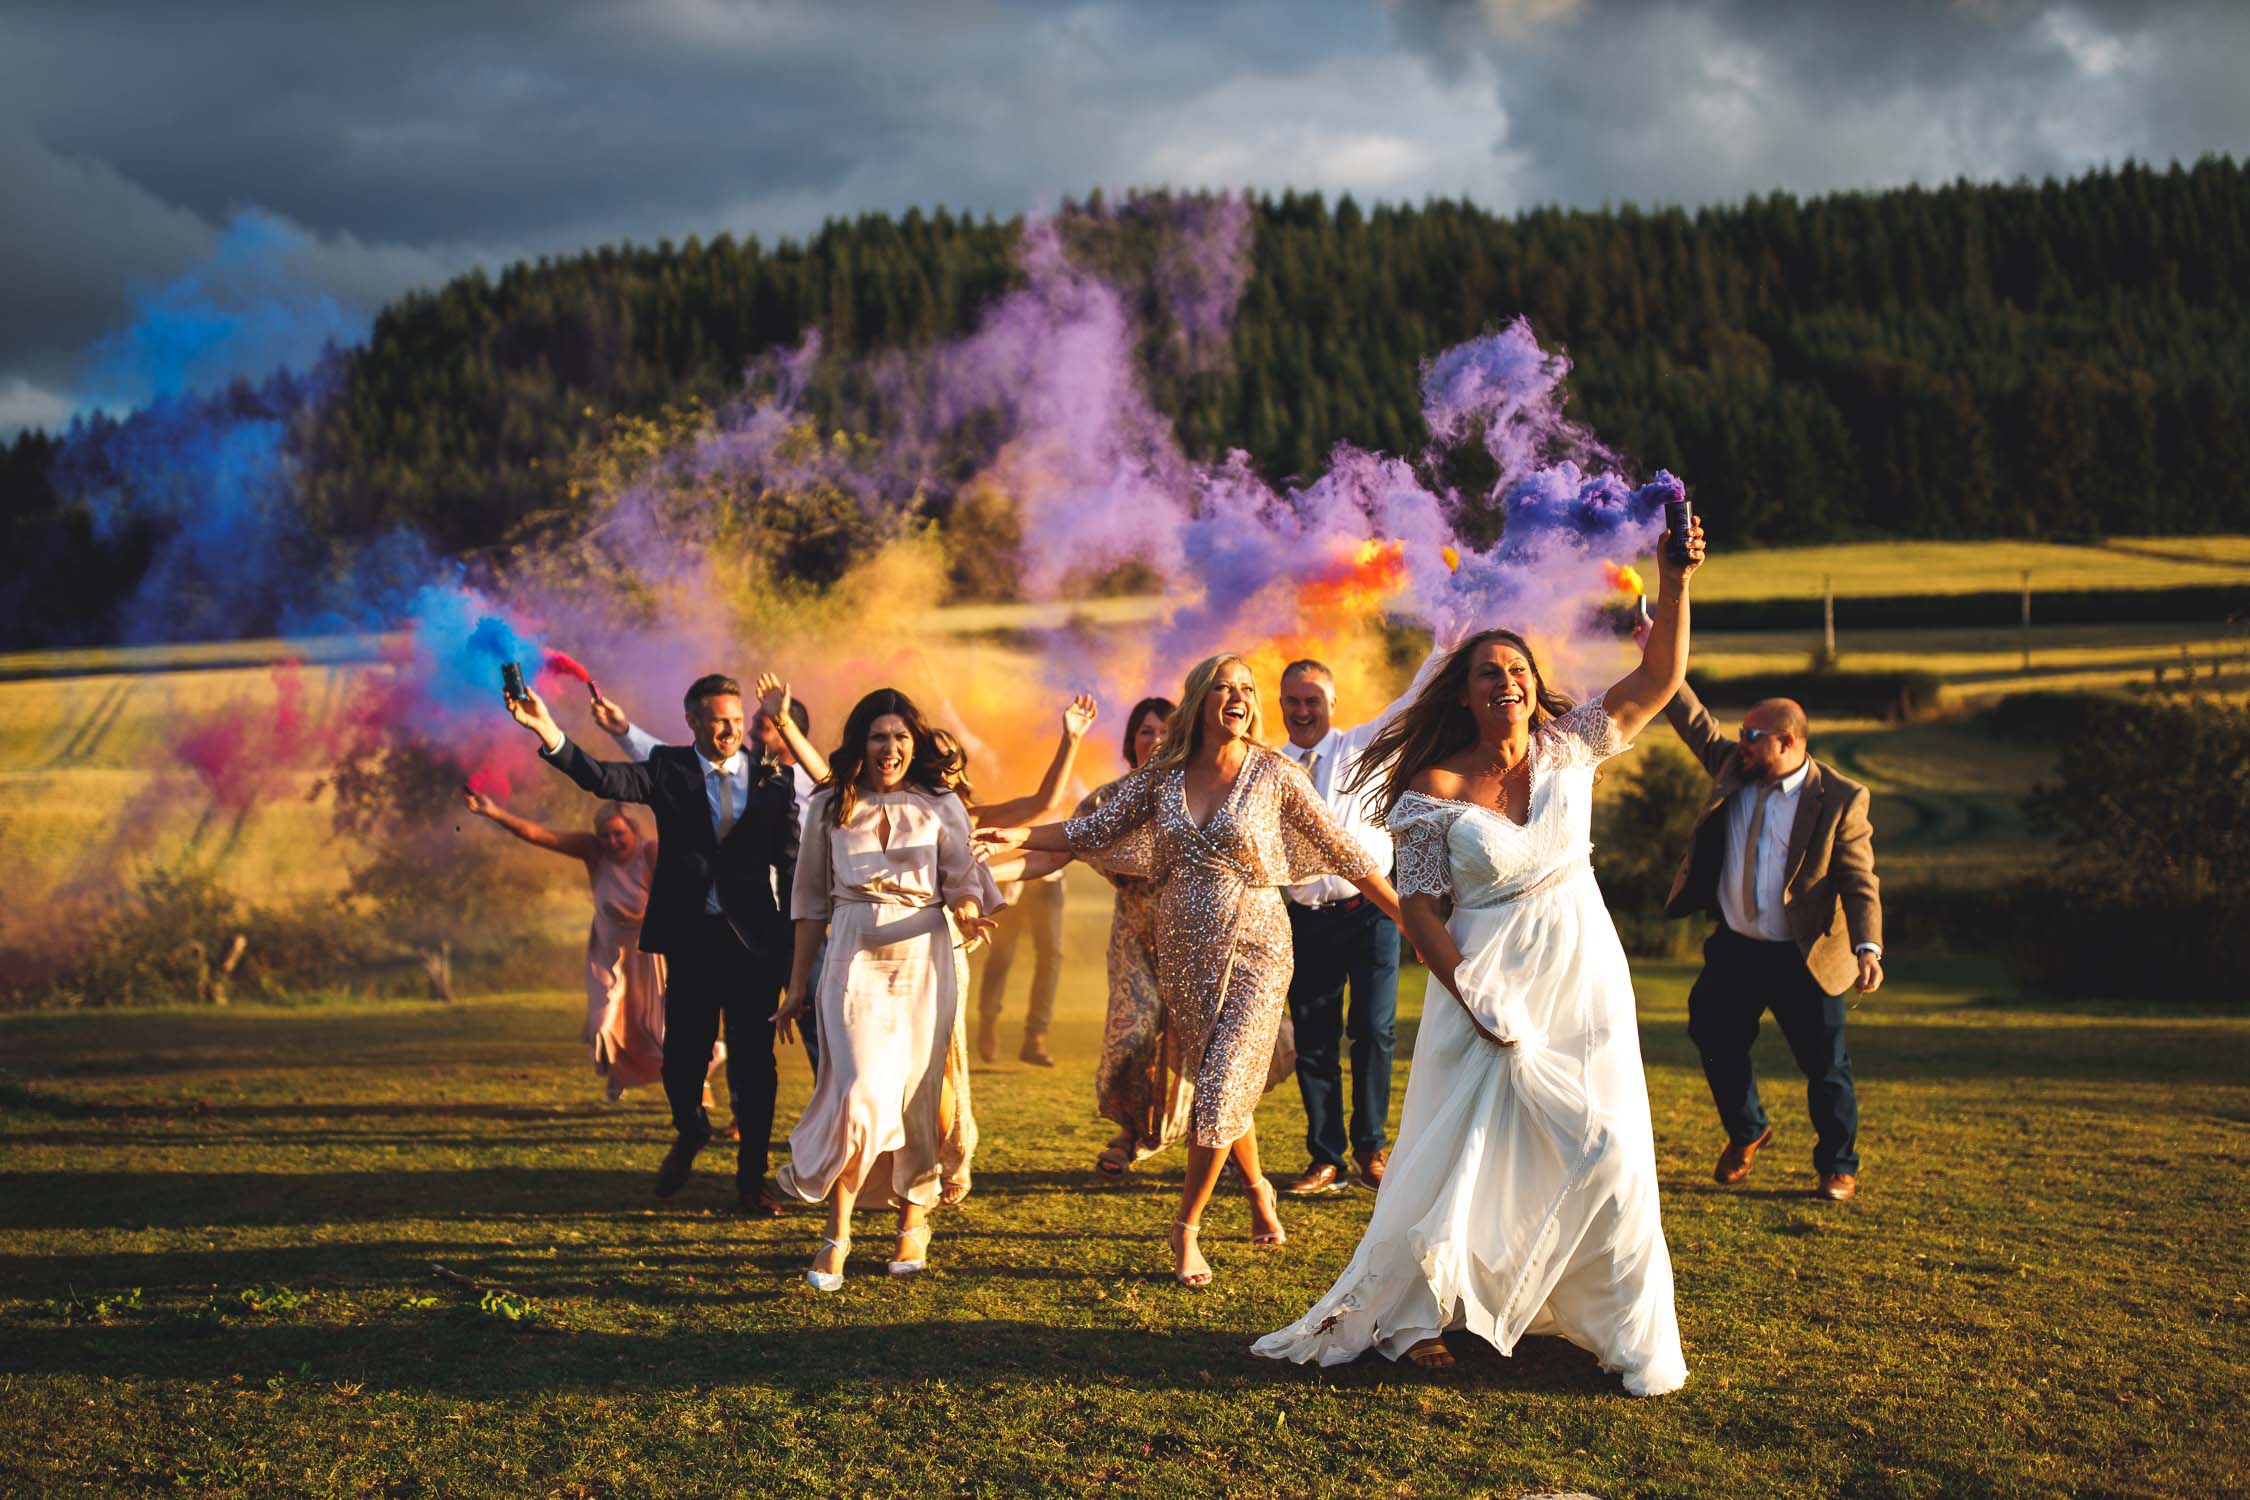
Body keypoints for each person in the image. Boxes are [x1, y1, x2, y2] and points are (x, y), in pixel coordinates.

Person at [1255, 515, 1706, 1396]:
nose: (1505, 682)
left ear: (1536, 687)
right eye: (1488, 673)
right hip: (1488, 974)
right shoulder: (1433, 789)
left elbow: (1660, 675)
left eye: (1517, 671)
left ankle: (1611, 1320)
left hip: (1585, 966)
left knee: (1608, 1145)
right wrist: (1468, 990)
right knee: (1464, 1154)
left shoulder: (1571, 743)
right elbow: (1419, 910)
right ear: (1463, 693)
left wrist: (1674, 579)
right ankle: (1418, 1315)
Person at [978, 655, 1402, 1287]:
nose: (1239, 697)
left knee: (1222, 1080)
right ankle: (1259, 1188)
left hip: (1258, 947)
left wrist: (1409, 917)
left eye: (1247, 689)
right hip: (1185, 953)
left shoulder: (1276, 773)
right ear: (1202, 700)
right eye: (1226, 688)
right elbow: (1090, 829)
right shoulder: (1164, 777)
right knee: (1218, 1083)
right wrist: (1016, 840)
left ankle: (1186, 1229)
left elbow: (1346, 851)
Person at [507, 674, 798, 1218]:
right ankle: (690, 1130)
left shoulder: (773, 777)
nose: (731, 729)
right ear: (692, 722)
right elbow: (601, 777)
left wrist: (797, 945)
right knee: (681, 1063)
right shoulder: (669, 768)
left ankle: (749, 1182)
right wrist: (547, 729)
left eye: (737, 719)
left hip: (755, 947)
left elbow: (791, 859)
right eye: (718, 720)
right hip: (691, 942)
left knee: (756, 1068)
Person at [770, 689, 1002, 1290]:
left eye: (901, 737)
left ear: (914, 744)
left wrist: (971, 913)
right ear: (860, 744)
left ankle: (912, 1223)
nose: (890, 748)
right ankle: (837, 1234)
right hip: (851, 954)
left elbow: (961, 877)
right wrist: (796, 986)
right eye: (878, 736)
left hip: (924, 955)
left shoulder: (940, 802)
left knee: (922, 1095)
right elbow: (808, 904)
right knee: (857, 1091)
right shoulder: (829, 803)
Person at [1654, 673, 1884, 1202]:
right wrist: (1656, 646)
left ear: (1789, 742)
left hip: (1804, 955)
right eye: (1742, 733)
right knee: (1712, 1035)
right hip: (1736, 948)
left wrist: (1867, 946)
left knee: (1825, 1066)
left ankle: (1837, 1167)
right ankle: (1747, 1129)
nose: (1742, 743)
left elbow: (1859, 879)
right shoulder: (1734, 770)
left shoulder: (1841, 799)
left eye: (1753, 735)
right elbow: (1693, 722)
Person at [1272, 648, 1446, 1196]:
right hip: (1303, 919)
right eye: (1294, 702)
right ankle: (1326, 1158)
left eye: (1313, 701)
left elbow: (1415, 698)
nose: (1303, 712)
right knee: (1316, 1041)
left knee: (1373, 1030)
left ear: (1333, 703)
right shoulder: (1269, 767)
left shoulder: (1360, 746)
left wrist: (1447, 641)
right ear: (1280, 705)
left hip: (1370, 912)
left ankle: (1371, 1149)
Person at [594, 673, 830, 1077]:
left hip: (800, 922)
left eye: (765, 723)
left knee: (816, 1018)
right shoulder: (743, 772)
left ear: (791, 731)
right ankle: (743, 1118)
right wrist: (623, 731)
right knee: (745, 1030)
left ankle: (832, 1114)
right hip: (752, 923)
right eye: (749, 721)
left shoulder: (805, 784)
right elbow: (673, 763)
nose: (750, 730)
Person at [460, 790, 715, 1104]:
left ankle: (700, 1079)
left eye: (619, 834)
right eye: (604, 835)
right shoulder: (594, 853)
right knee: (602, 1023)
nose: (611, 842)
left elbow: (692, 876)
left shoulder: (650, 853)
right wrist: (495, 813)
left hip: (651, 957)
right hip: (608, 955)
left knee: (663, 1030)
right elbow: (542, 835)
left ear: (634, 831)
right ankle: (620, 1072)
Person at [951, 697, 1099, 1067]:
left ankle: (1036, 1035)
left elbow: (1067, 804)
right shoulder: (999, 763)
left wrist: (1071, 741)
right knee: (1002, 953)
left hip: (1046, 873)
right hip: (1007, 880)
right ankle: (989, 1019)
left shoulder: (1067, 773)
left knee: (1051, 953)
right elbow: (967, 740)